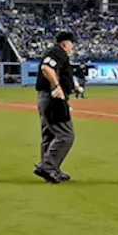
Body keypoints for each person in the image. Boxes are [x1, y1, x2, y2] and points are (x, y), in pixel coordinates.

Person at [35, 31, 82, 184]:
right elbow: (46, 68)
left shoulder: (56, 53)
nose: (72, 47)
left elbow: (59, 72)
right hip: (53, 99)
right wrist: (57, 87)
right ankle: (48, 166)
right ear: (65, 43)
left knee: (49, 135)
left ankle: (51, 169)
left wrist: (72, 85)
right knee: (66, 135)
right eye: (71, 44)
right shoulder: (57, 52)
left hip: (46, 98)